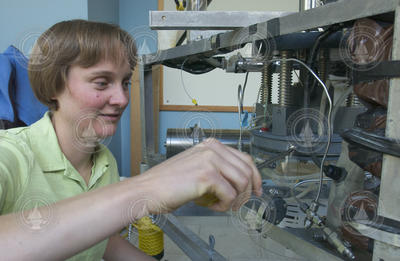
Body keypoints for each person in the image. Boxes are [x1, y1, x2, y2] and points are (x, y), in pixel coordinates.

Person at [0, 19, 262, 260]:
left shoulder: (104, 163)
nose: (122, 99)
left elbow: (102, 240)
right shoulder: (10, 154)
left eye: (125, 82)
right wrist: (145, 188)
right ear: (53, 85)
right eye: (102, 83)